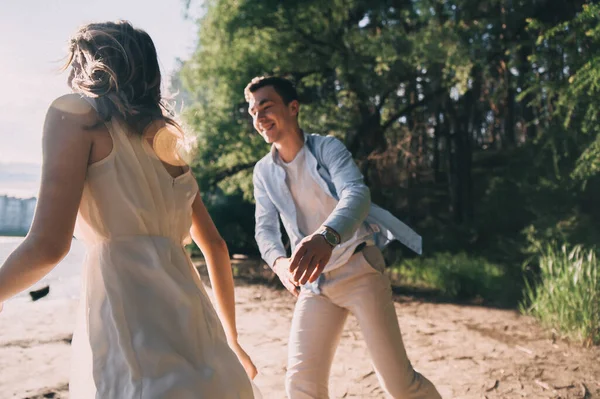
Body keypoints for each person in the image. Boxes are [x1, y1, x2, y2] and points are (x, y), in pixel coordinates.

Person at [0, 21, 258, 398]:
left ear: (86, 67)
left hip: (128, 319)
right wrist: (231, 340)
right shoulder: (168, 143)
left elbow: (48, 246)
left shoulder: (74, 115)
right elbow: (216, 247)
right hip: (198, 328)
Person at [247, 76, 442, 399]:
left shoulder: (327, 148)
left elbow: (356, 193)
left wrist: (328, 235)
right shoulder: (263, 172)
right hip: (316, 285)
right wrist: (279, 262)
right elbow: (264, 228)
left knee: (399, 384)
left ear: (293, 108)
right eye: (253, 111)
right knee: (301, 386)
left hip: (359, 270)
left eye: (266, 107)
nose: (258, 117)